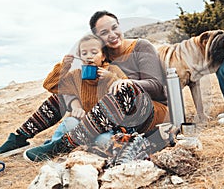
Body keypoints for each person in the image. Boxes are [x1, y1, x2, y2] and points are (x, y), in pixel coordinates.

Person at [22, 10, 171, 162]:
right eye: (105, 32)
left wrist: (128, 82)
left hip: (150, 111)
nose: (112, 34)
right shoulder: (99, 55)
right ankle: (21, 136)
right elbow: (66, 86)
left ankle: (64, 144)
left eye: (114, 28)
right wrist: (75, 103)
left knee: (123, 89)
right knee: (62, 94)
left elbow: (157, 86)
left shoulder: (141, 47)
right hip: (117, 119)